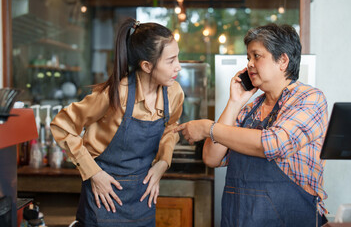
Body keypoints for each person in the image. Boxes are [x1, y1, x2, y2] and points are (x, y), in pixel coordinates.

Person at [175, 24, 329, 226]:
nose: (249, 64)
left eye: (257, 56)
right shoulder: (250, 110)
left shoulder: (310, 99)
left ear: (282, 60)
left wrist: (207, 128)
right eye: (248, 58)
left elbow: (275, 144)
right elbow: (212, 157)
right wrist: (234, 103)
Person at [51, 18, 184, 226]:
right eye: (171, 60)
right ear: (147, 66)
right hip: (102, 198)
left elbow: (171, 128)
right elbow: (62, 126)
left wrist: (162, 164)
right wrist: (93, 173)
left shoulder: (174, 93)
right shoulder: (115, 94)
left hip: (142, 200)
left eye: (178, 58)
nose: (179, 66)